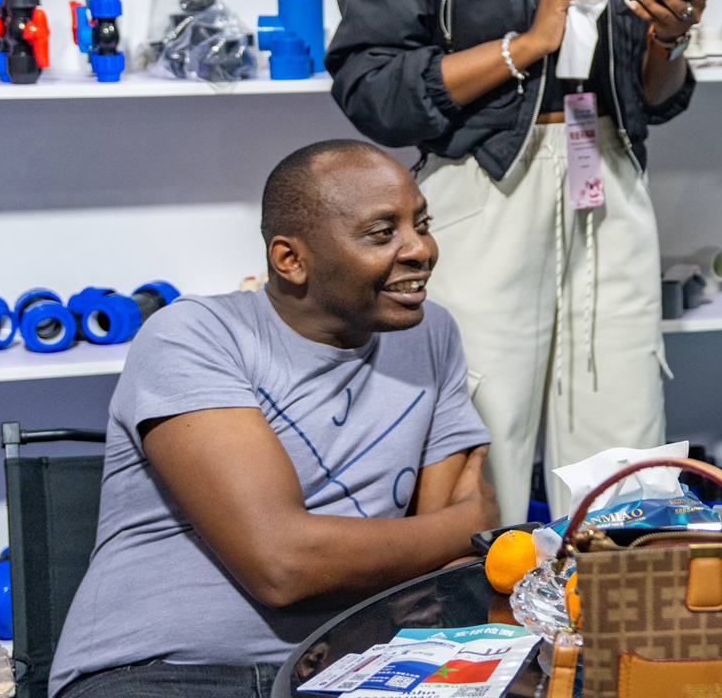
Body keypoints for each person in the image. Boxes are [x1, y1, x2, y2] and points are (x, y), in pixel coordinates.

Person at [327, 0, 722, 523]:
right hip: (483, 187)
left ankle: (622, 626)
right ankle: (483, 628)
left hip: (605, 174)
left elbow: (657, 99)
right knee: (482, 424)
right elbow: (370, 87)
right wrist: (527, 41)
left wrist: (669, 38)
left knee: (624, 426)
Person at [52, 141, 496, 698]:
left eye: (421, 224)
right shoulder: (193, 335)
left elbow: (445, 573)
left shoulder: (430, 334)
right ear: (291, 259)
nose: (420, 250)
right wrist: (462, 524)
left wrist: (457, 531)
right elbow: (281, 566)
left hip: (353, 667)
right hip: (166, 671)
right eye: (383, 233)